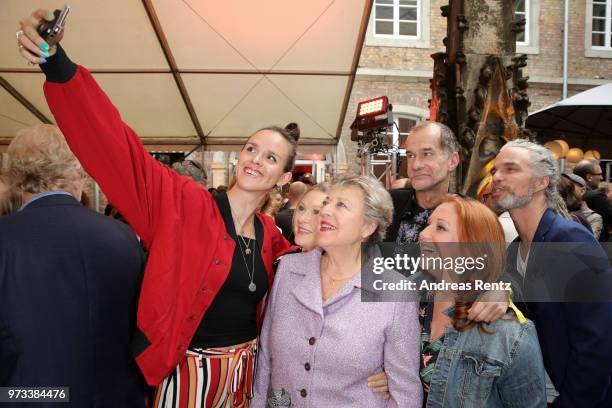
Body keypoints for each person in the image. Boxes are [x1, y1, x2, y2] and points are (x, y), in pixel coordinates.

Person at [17, 11, 298, 407]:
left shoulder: (272, 236)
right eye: (251, 149)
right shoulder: (182, 202)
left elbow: (332, 273)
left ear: (284, 177)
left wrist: (386, 356)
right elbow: (118, 148)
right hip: (186, 376)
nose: (255, 160)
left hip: (243, 377)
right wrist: (57, 65)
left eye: (271, 158)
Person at [0, 125, 146, 406]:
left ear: (16, 177)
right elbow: (140, 328)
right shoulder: (123, 236)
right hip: (116, 396)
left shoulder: (5, 238)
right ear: (77, 174)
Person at [252, 174, 422, 407]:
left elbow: (405, 392)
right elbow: (265, 361)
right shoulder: (289, 270)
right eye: (326, 203)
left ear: (368, 226)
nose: (326, 211)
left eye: (341, 205)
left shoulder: (395, 292)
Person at [491, 139, 612, 407]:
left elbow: (597, 342)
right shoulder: (513, 251)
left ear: (541, 182)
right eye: (494, 171)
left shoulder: (569, 240)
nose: (497, 177)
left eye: (510, 169)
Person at [418, 195, 546, 407]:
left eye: (440, 228)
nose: (423, 234)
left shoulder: (510, 333)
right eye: (427, 224)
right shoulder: (408, 301)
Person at [386, 121, 507, 322]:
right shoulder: (386, 205)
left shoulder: (469, 215)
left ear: (452, 160)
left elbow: (495, 266)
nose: (415, 165)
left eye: (427, 154)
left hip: (442, 330)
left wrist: (500, 289)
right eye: (410, 155)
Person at [573, 159, 612, 241]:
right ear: (589, 177)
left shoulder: (569, 194)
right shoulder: (596, 197)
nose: (601, 178)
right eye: (600, 174)